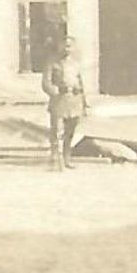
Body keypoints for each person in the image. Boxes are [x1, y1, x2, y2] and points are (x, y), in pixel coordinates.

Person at [41, 35, 88, 171]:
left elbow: (81, 82)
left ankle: (67, 158)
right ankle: (55, 160)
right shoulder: (52, 62)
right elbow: (46, 83)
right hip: (59, 100)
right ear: (60, 46)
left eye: (69, 46)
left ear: (73, 48)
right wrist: (56, 91)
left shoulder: (76, 63)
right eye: (64, 46)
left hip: (74, 100)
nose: (67, 49)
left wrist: (84, 102)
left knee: (70, 132)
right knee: (57, 131)